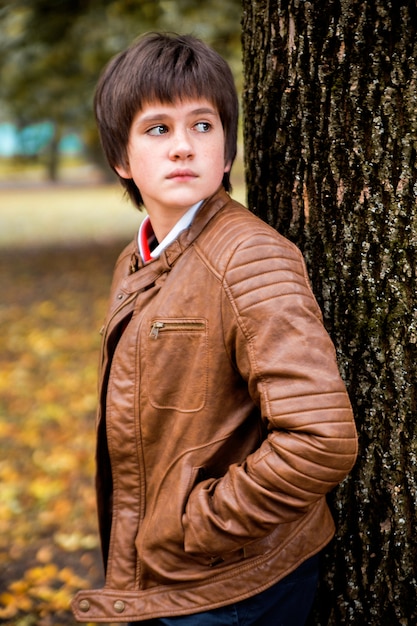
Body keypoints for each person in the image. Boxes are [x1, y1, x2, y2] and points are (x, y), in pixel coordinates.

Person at [72, 32, 357, 626]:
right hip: (175, 580)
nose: (183, 147)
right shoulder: (138, 256)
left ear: (226, 151)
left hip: (232, 589)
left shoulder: (250, 257)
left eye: (202, 126)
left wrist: (193, 525)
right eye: (158, 129)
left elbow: (320, 440)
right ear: (121, 159)